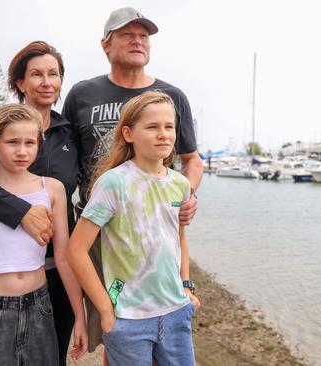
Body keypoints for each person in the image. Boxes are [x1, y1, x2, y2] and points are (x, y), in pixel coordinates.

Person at [61, 7, 204, 357]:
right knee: (118, 331)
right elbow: (63, 158)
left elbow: (192, 160)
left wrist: (185, 199)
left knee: (157, 327)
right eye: (127, 34)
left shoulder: (172, 96)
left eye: (144, 36)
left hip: (156, 229)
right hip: (99, 229)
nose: (137, 41)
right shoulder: (82, 93)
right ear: (106, 45)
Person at [0, 41, 85, 365]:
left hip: (49, 284)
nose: (47, 81)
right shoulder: (0, 124)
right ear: (20, 83)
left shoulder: (69, 134)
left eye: (54, 74)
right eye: (36, 74)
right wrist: (21, 212)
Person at [67, 91, 200, 366]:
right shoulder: (113, 183)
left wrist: (187, 287)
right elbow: (76, 249)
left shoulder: (181, 184)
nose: (163, 134)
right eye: (152, 127)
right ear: (128, 133)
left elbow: (179, 239)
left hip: (176, 312)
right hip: (129, 318)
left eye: (169, 126)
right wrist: (105, 309)